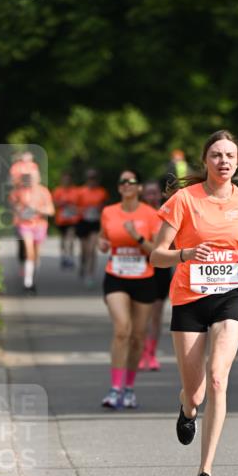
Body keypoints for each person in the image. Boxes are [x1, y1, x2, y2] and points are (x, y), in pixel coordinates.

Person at [150, 130, 238, 476]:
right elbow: (156, 255)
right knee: (197, 392)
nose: (223, 161)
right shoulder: (184, 200)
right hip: (188, 299)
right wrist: (185, 254)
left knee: (218, 377)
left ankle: (205, 472)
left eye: (230, 156)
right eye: (216, 155)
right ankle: (187, 409)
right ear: (205, 160)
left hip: (227, 300)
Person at [97, 170, 161, 409]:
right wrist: (101, 243)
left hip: (144, 277)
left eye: (130, 181)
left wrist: (136, 237)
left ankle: (129, 388)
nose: (125, 184)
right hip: (116, 275)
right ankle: (114, 388)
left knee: (137, 337)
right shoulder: (108, 212)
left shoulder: (151, 214)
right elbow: (102, 239)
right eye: (121, 181)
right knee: (122, 329)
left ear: (140, 187)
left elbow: (156, 251)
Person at [139, 179, 169, 371]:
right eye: (148, 193)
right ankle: (142, 353)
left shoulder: (167, 214)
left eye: (155, 193)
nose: (152, 196)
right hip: (140, 268)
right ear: (143, 195)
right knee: (143, 315)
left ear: (160, 195)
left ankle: (151, 353)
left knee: (156, 314)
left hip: (162, 269)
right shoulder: (138, 214)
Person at [9, 171, 54, 294]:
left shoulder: (43, 191)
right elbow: (12, 207)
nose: (28, 181)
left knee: (36, 255)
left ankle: (32, 278)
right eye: (26, 178)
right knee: (29, 253)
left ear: (38, 179)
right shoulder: (18, 192)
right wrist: (18, 210)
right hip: (25, 225)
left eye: (31, 178)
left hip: (39, 225)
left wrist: (37, 209)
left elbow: (51, 210)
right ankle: (27, 283)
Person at [76, 169, 109, 284]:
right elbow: (75, 207)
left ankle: (90, 274)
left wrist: (99, 210)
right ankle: (82, 265)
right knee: (84, 250)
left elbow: (105, 207)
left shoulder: (102, 192)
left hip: (95, 222)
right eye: (90, 178)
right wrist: (83, 210)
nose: (92, 181)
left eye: (94, 178)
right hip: (83, 222)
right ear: (87, 179)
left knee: (91, 250)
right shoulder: (81, 191)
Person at [52, 171, 80, 268]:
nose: (66, 181)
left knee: (71, 238)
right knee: (63, 239)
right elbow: (54, 204)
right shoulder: (58, 191)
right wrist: (62, 203)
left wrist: (73, 206)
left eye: (68, 179)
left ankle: (70, 257)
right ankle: (64, 256)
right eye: (64, 179)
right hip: (61, 219)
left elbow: (80, 204)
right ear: (62, 180)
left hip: (72, 219)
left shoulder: (76, 191)